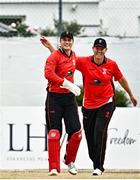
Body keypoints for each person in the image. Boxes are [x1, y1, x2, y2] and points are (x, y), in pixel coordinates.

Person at [40, 36, 137, 176]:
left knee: (99, 133)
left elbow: (121, 79)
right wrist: (51, 48)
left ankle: (98, 166)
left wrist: (131, 95)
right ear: (93, 49)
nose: (99, 51)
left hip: (106, 103)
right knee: (89, 137)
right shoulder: (83, 61)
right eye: (97, 48)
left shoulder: (111, 64)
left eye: (102, 49)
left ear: (105, 50)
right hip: (88, 105)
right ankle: (92, 160)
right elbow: (63, 61)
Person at [43, 32, 82, 176]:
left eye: (69, 40)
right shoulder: (53, 56)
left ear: (72, 42)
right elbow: (48, 74)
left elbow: (62, 60)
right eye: (64, 40)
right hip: (54, 98)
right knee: (54, 133)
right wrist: (65, 83)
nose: (67, 42)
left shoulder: (73, 55)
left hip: (69, 99)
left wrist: (51, 47)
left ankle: (70, 161)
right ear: (60, 41)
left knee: (76, 133)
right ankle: (54, 167)